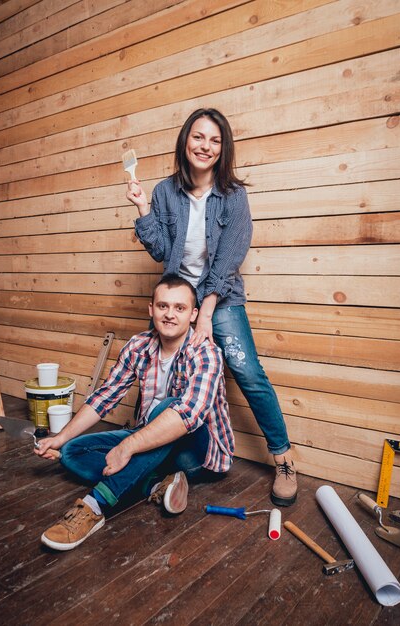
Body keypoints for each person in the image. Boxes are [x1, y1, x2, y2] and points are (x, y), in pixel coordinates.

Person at [126, 108, 297, 506]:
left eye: (215, 140)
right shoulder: (166, 192)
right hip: (178, 295)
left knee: (247, 371)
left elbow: (229, 260)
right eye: (199, 137)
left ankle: (284, 459)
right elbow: (162, 253)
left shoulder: (234, 197)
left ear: (223, 149)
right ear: (185, 142)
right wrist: (142, 208)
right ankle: (147, 450)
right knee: (162, 368)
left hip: (220, 296)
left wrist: (205, 313)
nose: (206, 146)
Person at [35, 275, 234, 551]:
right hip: (148, 444)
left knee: (170, 408)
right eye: (163, 306)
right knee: (71, 452)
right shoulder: (139, 345)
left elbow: (187, 414)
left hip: (195, 453)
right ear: (151, 309)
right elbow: (105, 396)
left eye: (180, 308)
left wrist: (127, 446)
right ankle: (155, 485)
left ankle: (95, 506)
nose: (170, 315)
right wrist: (60, 437)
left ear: (193, 314)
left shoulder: (206, 352)